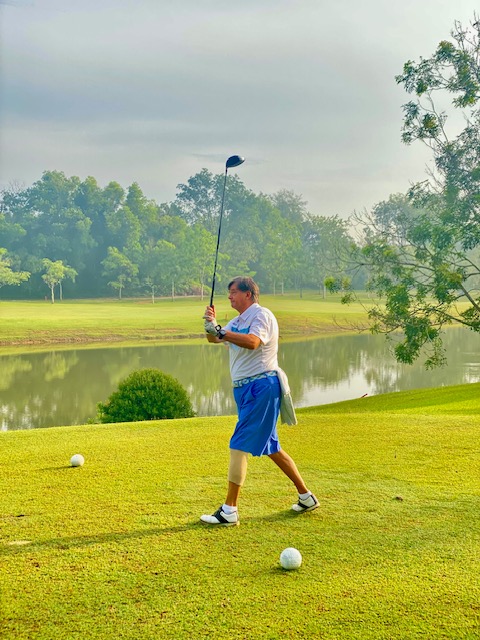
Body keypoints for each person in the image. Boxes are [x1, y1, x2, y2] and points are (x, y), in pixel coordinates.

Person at [200, 276, 318, 526]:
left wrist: (221, 331)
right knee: (271, 447)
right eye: (229, 293)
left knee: (239, 443)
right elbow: (215, 339)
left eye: (234, 292)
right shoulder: (236, 322)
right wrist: (211, 326)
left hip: (261, 386)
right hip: (245, 390)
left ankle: (229, 510)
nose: (230, 296)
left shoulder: (262, 315)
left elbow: (253, 342)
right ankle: (306, 497)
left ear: (248, 294)